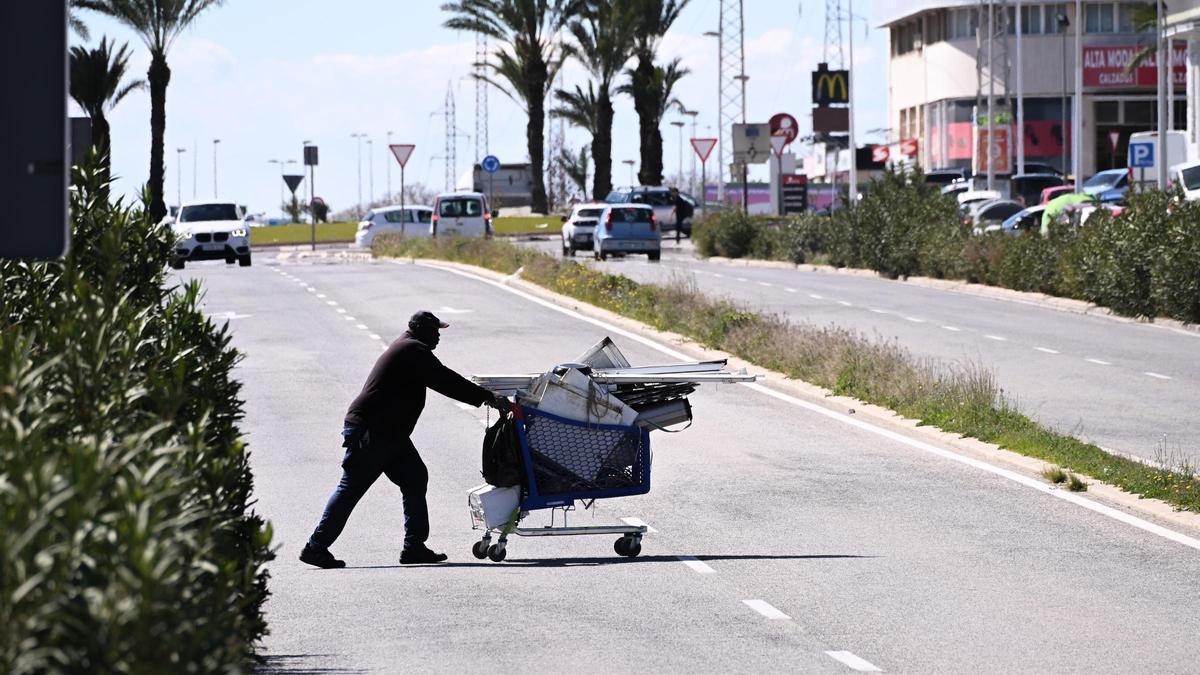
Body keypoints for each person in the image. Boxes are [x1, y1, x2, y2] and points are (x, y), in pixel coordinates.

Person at [300, 310, 508, 568]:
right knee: (350, 489)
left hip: (389, 433)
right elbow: (444, 379)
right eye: (435, 331)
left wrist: (484, 396)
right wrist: (486, 396)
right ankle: (316, 547)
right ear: (420, 329)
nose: (438, 337)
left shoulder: (410, 347)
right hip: (373, 431)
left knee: (415, 478)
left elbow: (441, 378)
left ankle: (414, 547)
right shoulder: (412, 350)